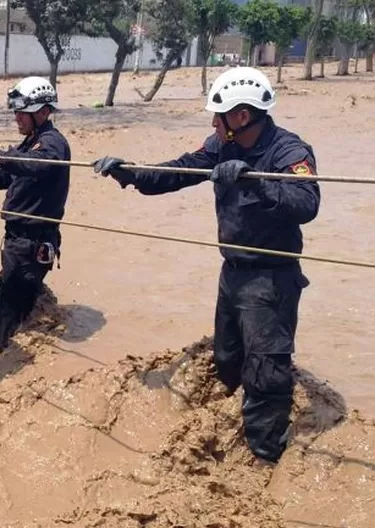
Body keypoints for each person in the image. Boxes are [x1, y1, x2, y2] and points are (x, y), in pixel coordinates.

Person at [93, 67, 321, 464]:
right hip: (231, 274)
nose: (213, 123)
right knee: (228, 359)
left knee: (266, 373)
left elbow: (307, 204)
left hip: (270, 278)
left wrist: (255, 182)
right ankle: (231, 427)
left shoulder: (288, 151)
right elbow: (178, 171)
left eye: (219, 115)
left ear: (242, 116)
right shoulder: (220, 146)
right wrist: (128, 172)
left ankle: (263, 459)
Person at [0, 76, 71, 352]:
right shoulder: (29, 144)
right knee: (15, 296)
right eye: (16, 112)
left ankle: (5, 356)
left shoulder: (52, 143)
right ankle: (14, 346)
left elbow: (38, 166)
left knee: (9, 303)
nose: (16, 118)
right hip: (18, 240)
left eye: (22, 112)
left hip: (32, 240)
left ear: (43, 112)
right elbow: (4, 179)